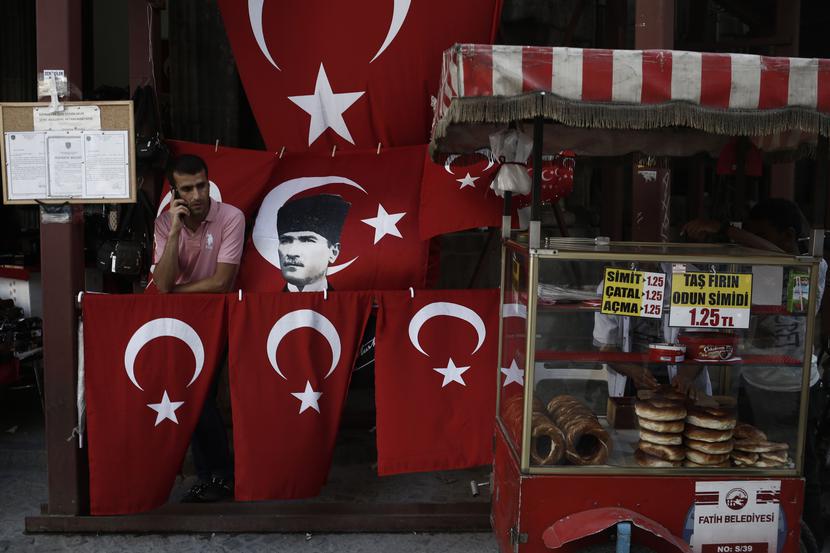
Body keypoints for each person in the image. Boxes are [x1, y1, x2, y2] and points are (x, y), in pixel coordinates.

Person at [684, 198, 827, 549]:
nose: (751, 243)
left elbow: (782, 259)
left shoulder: (812, 267)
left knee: (800, 475)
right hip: (753, 386)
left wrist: (726, 230)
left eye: (760, 235)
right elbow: (723, 320)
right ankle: (756, 535)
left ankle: (805, 541)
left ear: (788, 235)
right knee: (751, 467)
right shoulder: (752, 269)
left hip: (797, 392)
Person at [153, 154, 245, 502]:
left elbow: (221, 282)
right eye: (188, 189)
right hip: (179, 323)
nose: (197, 195)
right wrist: (175, 230)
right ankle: (212, 477)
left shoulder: (231, 217)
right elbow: (162, 282)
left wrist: (174, 292)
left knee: (199, 394)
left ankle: (218, 476)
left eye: (202, 186)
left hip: (217, 317)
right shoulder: (165, 224)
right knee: (189, 394)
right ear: (175, 193)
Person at [276, 194, 350, 292]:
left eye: (307, 240)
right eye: (285, 241)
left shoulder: (347, 301)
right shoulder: (265, 301)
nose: (292, 253)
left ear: (333, 252)